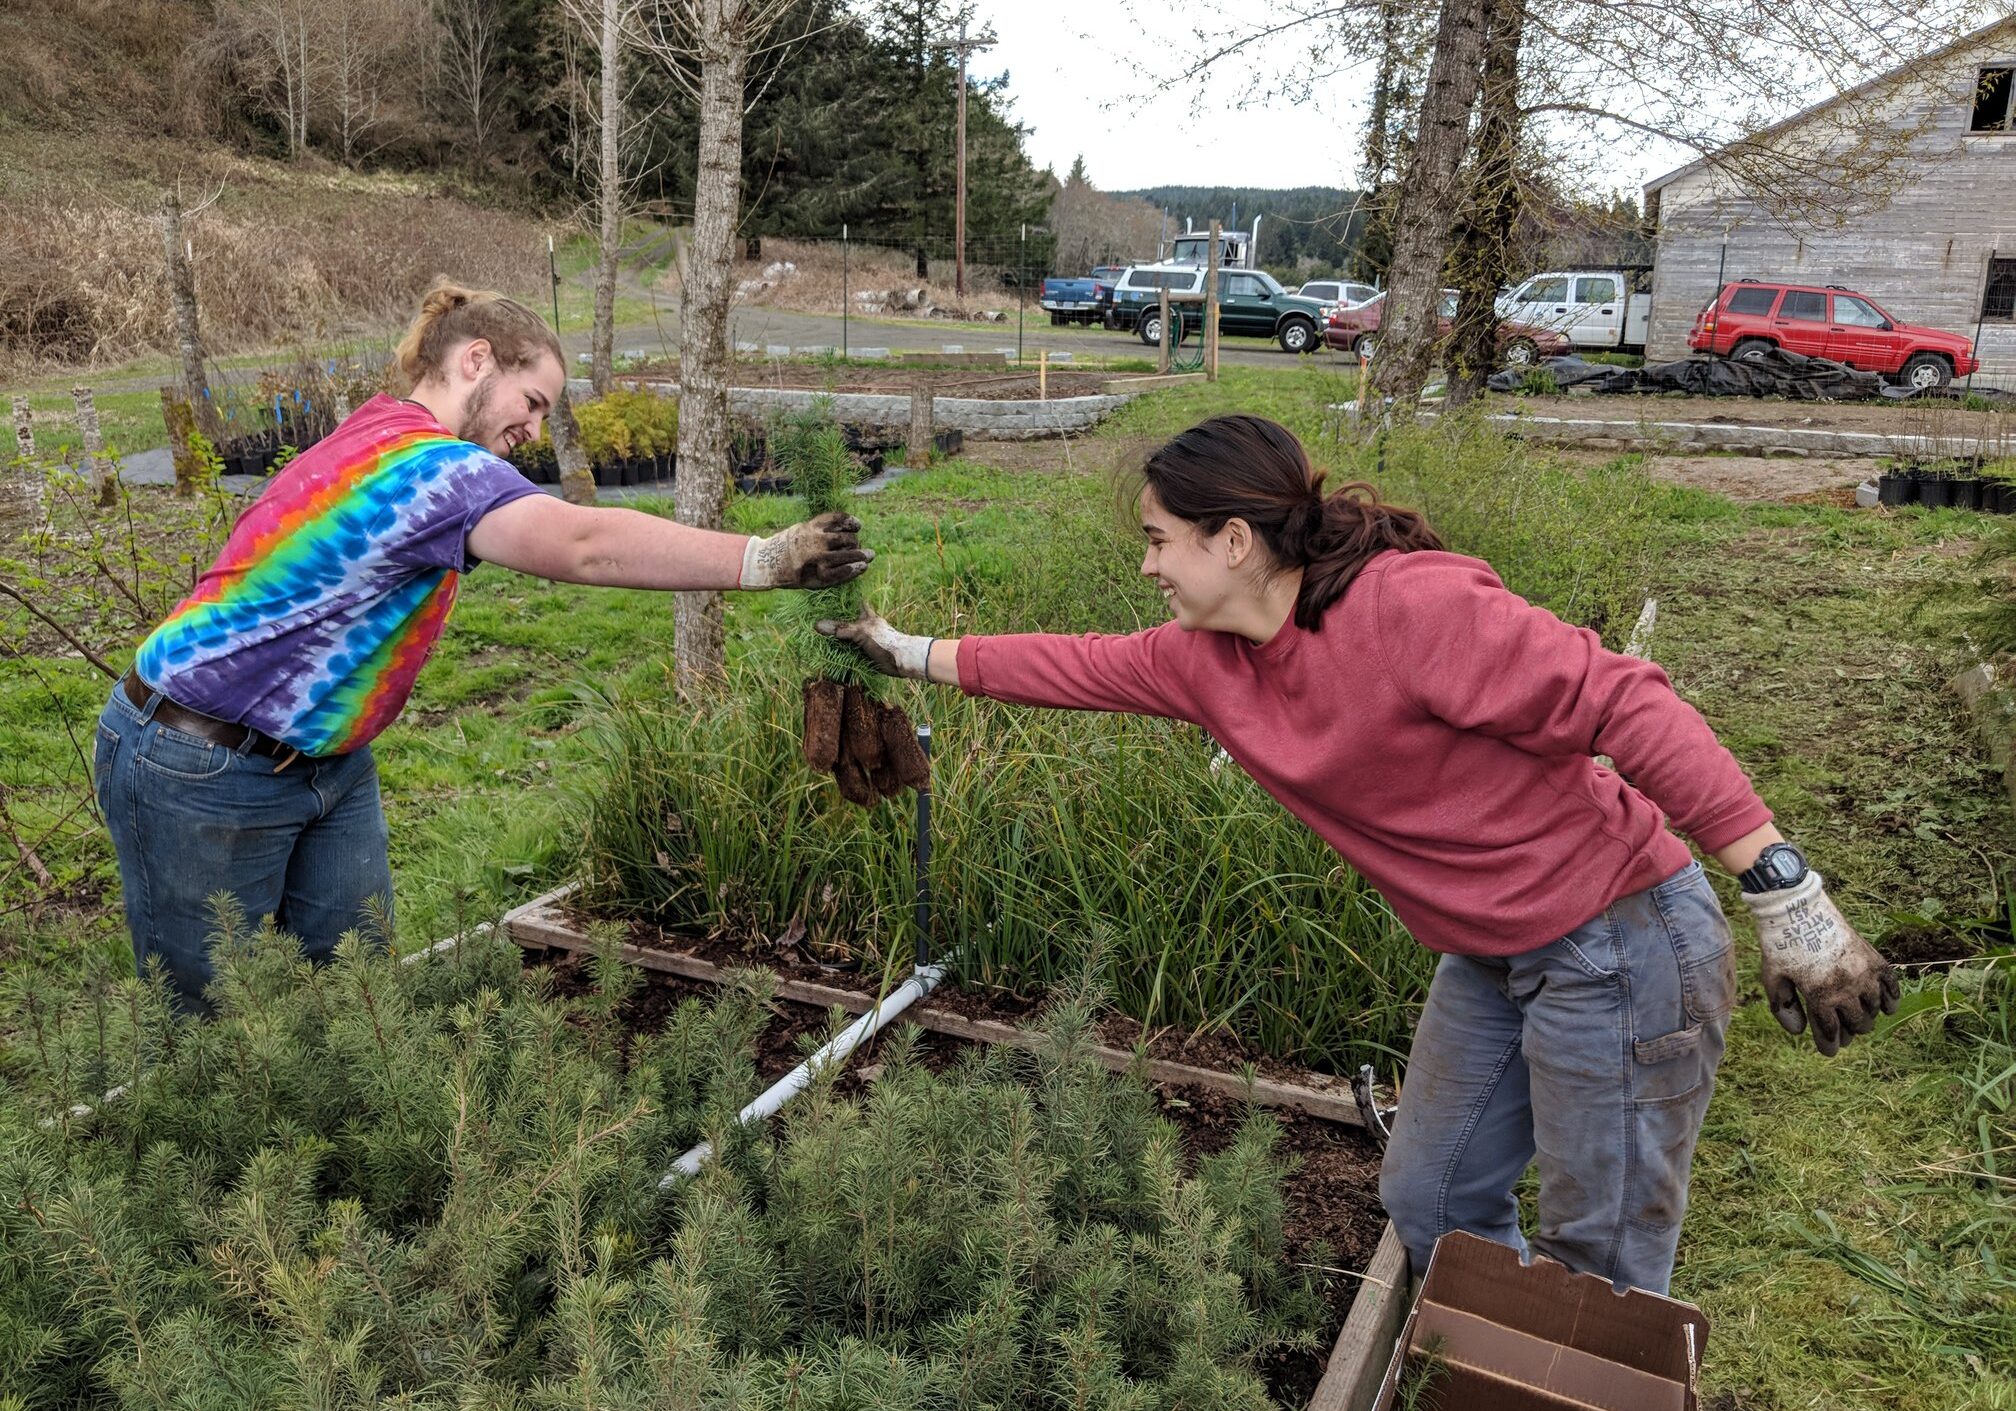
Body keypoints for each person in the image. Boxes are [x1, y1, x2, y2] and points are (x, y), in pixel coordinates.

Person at [820, 412, 1896, 1295]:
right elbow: (1072, 664)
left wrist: (1784, 890)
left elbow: (1625, 701)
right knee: (1431, 1200)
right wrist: (905, 652)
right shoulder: (1208, 662)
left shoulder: (1408, 607)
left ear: (1231, 540)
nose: (1145, 565)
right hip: (1488, 952)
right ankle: (1505, 1363)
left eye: (1157, 539)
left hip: (1618, 940)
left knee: (1601, 1265)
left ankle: (1578, 1372)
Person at [98, 281, 870, 1014]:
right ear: (477, 360)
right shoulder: (430, 467)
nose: (534, 431)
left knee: (358, 1003)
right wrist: (764, 558)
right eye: (532, 401)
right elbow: (584, 544)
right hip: (199, 758)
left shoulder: (386, 429)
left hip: (326, 760)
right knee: (207, 1025)